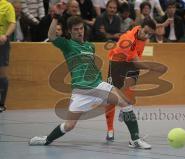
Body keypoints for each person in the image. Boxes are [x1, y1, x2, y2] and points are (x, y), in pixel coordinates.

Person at [28, 3, 162, 149]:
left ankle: (135, 139)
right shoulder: (67, 45)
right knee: (69, 125)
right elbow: (51, 36)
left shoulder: (89, 46)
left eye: (81, 28)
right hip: (81, 90)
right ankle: (46, 139)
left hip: (98, 85)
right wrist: (55, 18)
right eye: (76, 30)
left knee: (125, 103)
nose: (80, 32)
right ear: (69, 31)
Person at [104, 17, 167, 141]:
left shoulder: (142, 35)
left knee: (130, 87)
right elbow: (137, 62)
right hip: (117, 64)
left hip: (131, 62)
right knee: (111, 98)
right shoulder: (128, 39)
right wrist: (153, 67)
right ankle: (110, 129)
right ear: (140, 27)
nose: (147, 36)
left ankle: (124, 107)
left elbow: (138, 58)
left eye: (150, 34)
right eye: (146, 32)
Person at [0, 0, 16, 112]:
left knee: (2, 74)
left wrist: (5, 35)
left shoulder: (7, 5)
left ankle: (1, 103)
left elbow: (12, 23)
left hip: (2, 42)